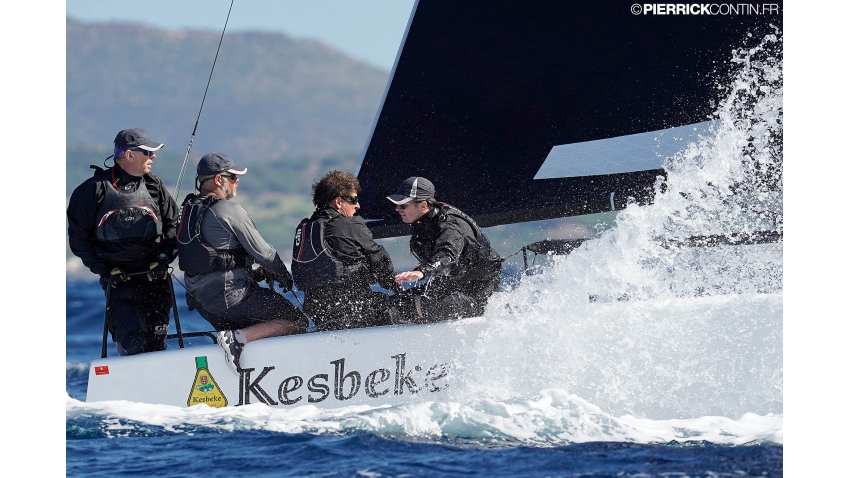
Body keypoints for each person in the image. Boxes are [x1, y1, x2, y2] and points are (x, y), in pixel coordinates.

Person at [177, 152, 306, 374]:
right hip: (231, 297)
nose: (238, 182)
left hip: (201, 302)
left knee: (260, 327)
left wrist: (255, 274)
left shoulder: (188, 211)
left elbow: (210, 261)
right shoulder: (229, 210)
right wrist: (284, 276)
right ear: (219, 179)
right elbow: (264, 253)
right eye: (234, 177)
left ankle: (241, 354)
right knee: (295, 320)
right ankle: (236, 340)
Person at [67, 128, 178, 356]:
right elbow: (78, 240)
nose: (153, 156)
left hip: (155, 279)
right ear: (129, 155)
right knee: (134, 343)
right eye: (148, 152)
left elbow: (174, 226)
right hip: (118, 282)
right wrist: (104, 270)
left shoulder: (154, 186)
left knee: (157, 345)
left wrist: (164, 258)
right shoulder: (92, 190)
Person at [291, 170, 402, 331]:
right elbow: (379, 257)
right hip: (354, 309)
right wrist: (396, 287)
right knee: (410, 304)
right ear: (338, 202)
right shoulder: (350, 224)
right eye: (354, 199)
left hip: (319, 313)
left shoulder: (308, 229)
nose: (358, 205)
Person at [387, 177, 503, 322]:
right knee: (392, 305)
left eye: (403, 205)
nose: (397, 209)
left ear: (423, 205)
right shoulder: (425, 221)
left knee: (419, 307)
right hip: (454, 285)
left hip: (477, 296)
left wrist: (421, 272)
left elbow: (447, 255)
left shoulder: (450, 226)